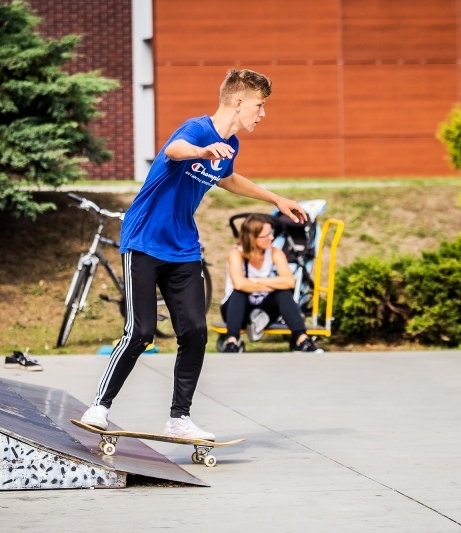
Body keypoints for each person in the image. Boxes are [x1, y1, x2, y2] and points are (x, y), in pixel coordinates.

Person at [79, 69, 307, 438]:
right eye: (259, 106)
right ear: (238, 102)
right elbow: (174, 150)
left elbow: (228, 178)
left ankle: (179, 418)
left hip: (184, 246)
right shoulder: (198, 130)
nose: (262, 114)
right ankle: (99, 407)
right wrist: (202, 151)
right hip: (144, 240)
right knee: (140, 331)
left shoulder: (231, 145)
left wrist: (276, 199)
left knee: (196, 331)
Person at [220, 213, 323, 353]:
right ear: (253, 238)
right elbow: (239, 284)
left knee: (283, 293)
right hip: (237, 310)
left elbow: (289, 282)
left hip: (265, 307)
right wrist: (272, 284)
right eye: (266, 235)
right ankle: (232, 341)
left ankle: (302, 340)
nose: (272, 238)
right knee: (239, 293)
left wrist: (255, 281)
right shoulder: (236, 254)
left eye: (272, 233)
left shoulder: (275, 253)